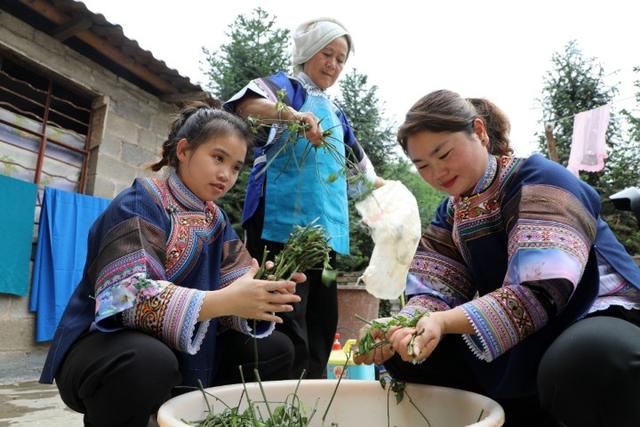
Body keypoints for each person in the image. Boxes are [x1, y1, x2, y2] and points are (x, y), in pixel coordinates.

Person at [354, 91, 640, 427]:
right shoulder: (451, 212)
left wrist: (444, 322)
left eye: (444, 153)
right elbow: (434, 291)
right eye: (422, 166)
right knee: (408, 356)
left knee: (587, 357)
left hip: (596, 312)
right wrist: (397, 328)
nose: (437, 172)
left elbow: (542, 289)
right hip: (527, 326)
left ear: (479, 131)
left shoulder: (540, 179)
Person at [39, 103, 306, 427]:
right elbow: (127, 299)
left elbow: (237, 282)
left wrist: (266, 289)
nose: (226, 174)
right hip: (105, 350)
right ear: (184, 150)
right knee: (146, 361)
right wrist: (225, 300)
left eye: (236, 167)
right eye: (218, 158)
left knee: (275, 348)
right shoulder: (140, 202)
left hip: (182, 353)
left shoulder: (216, 220)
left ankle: (208, 419)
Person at [225, 18, 384, 379]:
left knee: (322, 315)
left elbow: (359, 166)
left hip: (325, 234)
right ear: (308, 52)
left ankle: (311, 387)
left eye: (341, 59)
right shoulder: (287, 87)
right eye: (327, 53)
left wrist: (386, 190)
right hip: (279, 225)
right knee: (284, 309)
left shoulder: (336, 112)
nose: (333, 64)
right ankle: (279, 387)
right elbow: (245, 107)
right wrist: (292, 116)